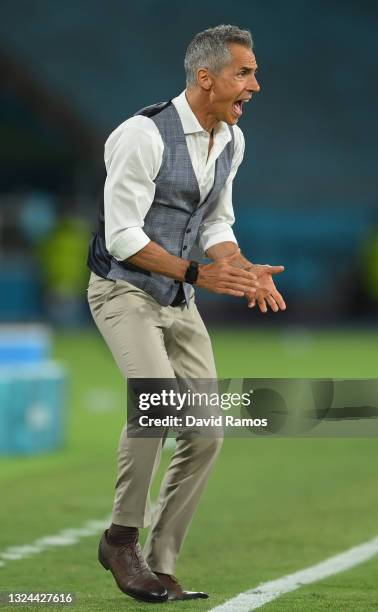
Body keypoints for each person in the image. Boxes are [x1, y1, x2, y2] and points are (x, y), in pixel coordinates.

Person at [87, 24, 286, 604]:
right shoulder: (141, 136)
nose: (255, 84)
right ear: (207, 78)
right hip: (122, 291)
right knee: (154, 401)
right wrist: (202, 274)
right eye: (244, 73)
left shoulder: (230, 139)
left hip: (177, 298)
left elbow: (217, 221)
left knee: (207, 433)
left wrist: (239, 266)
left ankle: (159, 562)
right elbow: (123, 237)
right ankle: (121, 539)